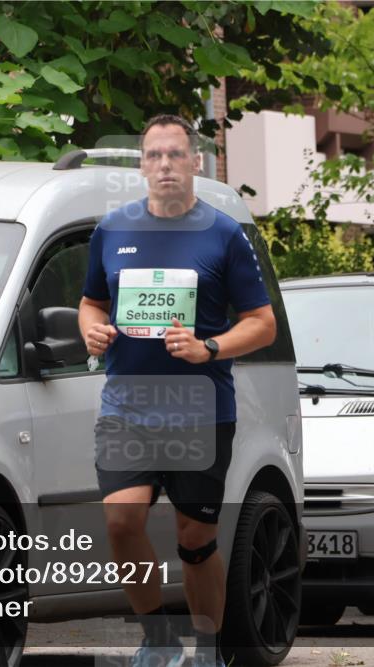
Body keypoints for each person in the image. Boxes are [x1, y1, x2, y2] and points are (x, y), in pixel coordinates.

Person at [78, 115, 277, 667]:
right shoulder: (112, 231)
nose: (164, 165)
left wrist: (209, 348)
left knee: (195, 538)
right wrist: (90, 330)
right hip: (127, 406)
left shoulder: (223, 234)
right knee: (121, 523)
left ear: (194, 162)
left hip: (200, 409)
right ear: (142, 165)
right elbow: (92, 301)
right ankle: (158, 641)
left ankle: (209, 648)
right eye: (153, 156)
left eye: (175, 155)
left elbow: (262, 323)